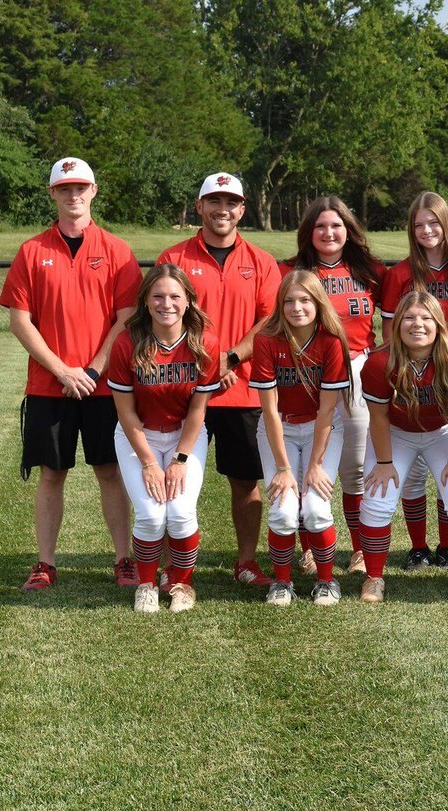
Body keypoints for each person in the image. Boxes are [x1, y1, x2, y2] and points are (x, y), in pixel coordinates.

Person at [0, 157, 141, 590]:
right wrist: (64, 371)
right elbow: (20, 321)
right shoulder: (32, 250)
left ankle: (123, 561)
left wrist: (94, 370)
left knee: (109, 470)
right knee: (51, 473)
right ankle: (45, 564)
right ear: (53, 195)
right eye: (65, 189)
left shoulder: (117, 250)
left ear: (93, 192)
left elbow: (128, 317)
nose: (73, 195)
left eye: (81, 188)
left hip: (103, 386)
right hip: (49, 385)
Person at [158, 173, 280, 587]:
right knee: (171, 476)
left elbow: (269, 320)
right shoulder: (173, 258)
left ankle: (246, 562)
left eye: (230, 202)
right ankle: (171, 565)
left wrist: (229, 359)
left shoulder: (261, 262)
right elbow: (165, 315)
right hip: (182, 386)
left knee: (246, 480)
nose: (222, 209)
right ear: (200, 207)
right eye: (214, 201)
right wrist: (205, 364)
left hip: (240, 388)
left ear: (242, 209)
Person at [358, 292, 448, 602]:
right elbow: (378, 417)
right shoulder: (378, 361)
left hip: (443, 430)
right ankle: (373, 578)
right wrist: (385, 463)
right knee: (377, 498)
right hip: (396, 431)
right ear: (397, 323)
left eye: (426, 318)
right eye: (410, 318)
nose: (418, 324)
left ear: (438, 324)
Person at [108, 264, 220, 612]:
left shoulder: (206, 342)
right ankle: (146, 582)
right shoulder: (127, 341)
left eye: (175, 296)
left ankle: (181, 583)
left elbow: (197, 411)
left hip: (185, 436)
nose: (166, 303)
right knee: (152, 516)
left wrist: (178, 460)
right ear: (145, 301)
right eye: (158, 296)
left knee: (182, 512)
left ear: (188, 301)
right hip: (137, 436)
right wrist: (148, 464)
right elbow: (125, 412)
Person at [281, 196, 383, 579]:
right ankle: (309, 549)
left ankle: (359, 548)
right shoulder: (291, 271)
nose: (328, 232)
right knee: (309, 464)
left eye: (336, 225)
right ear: (309, 232)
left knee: (355, 469)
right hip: (307, 369)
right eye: (321, 226)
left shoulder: (369, 271)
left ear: (349, 230)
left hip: (356, 366)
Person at [380, 191, 448, 571]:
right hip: (410, 374)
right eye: (418, 225)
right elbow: (389, 331)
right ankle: (419, 547)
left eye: (433, 222)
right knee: (415, 471)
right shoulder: (400, 273)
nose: (426, 230)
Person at [250, 271, 351, 606]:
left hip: (322, 429)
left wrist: (316, 464)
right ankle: (281, 583)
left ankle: (326, 581)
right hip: (278, 427)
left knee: (317, 507)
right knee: (282, 509)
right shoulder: (266, 338)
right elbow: (269, 409)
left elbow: (327, 411)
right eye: (289, 300)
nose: (297, 307)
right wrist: (282, 467)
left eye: (305, 299)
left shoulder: (332, 340)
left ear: (318, 302)